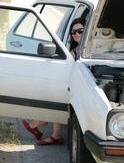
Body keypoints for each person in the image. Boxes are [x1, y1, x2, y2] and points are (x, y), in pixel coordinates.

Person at [22, 17, 85, 145]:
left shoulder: (91, 50)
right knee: (54, 94)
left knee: (57, 97)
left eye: (80, 31)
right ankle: (50, 130)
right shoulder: (73, 52)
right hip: (74, 85)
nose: (77, 34)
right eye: (73, 32)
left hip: (84, 88)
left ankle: (38, 124)